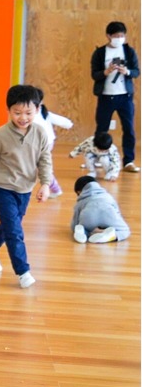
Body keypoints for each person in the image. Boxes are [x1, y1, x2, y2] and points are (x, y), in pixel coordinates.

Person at [0, 84, 54, 289]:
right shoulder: (0, 135)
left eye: (28, 113)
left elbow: (45, 159)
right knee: (14, 230)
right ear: (9, 111)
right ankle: (23, 271)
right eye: (17, 112)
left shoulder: (40, 133)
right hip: (1, 187)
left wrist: (46, 184)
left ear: (38, 110)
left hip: (25, 188)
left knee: (10, 225)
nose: (23, 117)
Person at [90, 21, 140, 172]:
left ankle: (129, 161)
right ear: (108, 36)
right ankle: (98, 158)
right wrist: (106, 72)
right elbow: (94, 74)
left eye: (122, 35)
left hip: (125, 97)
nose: (119, 38)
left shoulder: (129, 51)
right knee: (102, 129)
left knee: (129, 129)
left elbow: (137, 71)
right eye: (116, 36)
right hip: (106, 97)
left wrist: (127, 72)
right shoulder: (100, 53)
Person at [31, 87, 73, 197]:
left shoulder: (36, 114)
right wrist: (68, 124)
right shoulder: (43, 112)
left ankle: (55, 189)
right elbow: (64, 122)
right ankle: (53, 188)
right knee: (39, 166)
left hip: (43, 144)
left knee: (42, 167)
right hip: (47, 142)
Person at [72, 175, 130, 244]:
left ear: (79, 191)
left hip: (88, 217)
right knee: (125, 231)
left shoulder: (82, 200)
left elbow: (75, 219)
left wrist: (75, 228)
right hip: (109, 214)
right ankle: (112, 235)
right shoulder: (107, 195)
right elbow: (117, 211)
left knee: (85, 227)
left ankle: (83, 232)